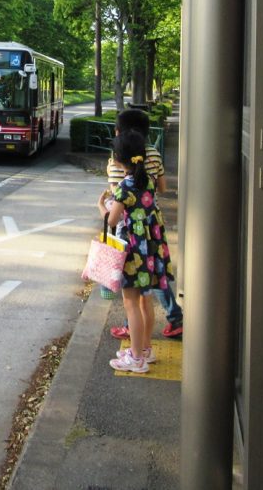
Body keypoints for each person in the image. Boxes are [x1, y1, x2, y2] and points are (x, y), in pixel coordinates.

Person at [97, 131, 175, 373]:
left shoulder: (124, 188)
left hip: (132, 252)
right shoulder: (147, 181)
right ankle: (145, 349)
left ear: (119, 159)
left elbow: (112, 220)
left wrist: (101, 205)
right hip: (150, 249)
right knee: (145, 300)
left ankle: (136, 358)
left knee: (131, 303)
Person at [107, 108, 184, 340]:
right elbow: (162, 188)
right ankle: (170, 318)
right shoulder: (154, 155)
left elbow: (116, 200)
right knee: (154, 273)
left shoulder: (115, 161)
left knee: (132, 284)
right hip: (153, 223)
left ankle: (136, 331)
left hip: (128, 229)